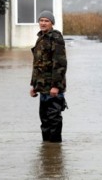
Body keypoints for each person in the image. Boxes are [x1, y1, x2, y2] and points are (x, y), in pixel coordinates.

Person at [30, 10, 67, 143]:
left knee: (54, 120)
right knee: (44, 121)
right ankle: (47, 151)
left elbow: (60, 63)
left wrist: (56, 86)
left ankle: (56, 152)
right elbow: (37, 65)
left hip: (53, 88)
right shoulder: (41, 38)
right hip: (42, 88)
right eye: (41, 20)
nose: (43, 23)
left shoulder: (56, 38)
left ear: (52, 23)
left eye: (47, 21)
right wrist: (33, 86)